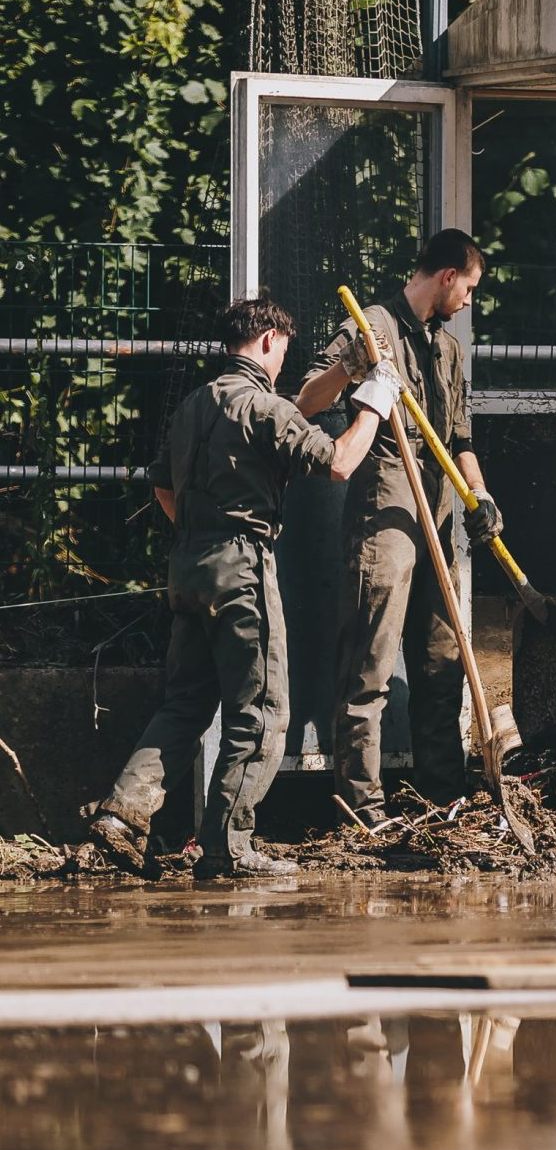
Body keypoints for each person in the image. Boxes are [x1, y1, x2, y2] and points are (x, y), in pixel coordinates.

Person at [87, 296, 398, 879]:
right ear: (268, 341)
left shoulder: (192, 405)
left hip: (189, 565)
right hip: (242, 569)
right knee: (260, 711)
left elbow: (162, 486)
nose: (282, 363)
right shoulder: (263, 405)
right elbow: (338, 462)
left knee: (185, 704)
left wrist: (203, 534)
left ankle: (123, 814)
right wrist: (374, 403)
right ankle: (228, 848)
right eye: (283, 351)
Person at [299, 230, 497, 825]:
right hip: (385, 510)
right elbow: (305, 400)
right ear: (447, 276)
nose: (468, 301)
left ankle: (444, 796)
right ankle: (362, 806)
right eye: (469, 289)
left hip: (440, 512)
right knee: (371, 663)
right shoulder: (373, 327)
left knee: (442, 660)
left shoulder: (449, 349)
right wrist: (350, 366)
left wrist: (480, 494)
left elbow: (460, 438)